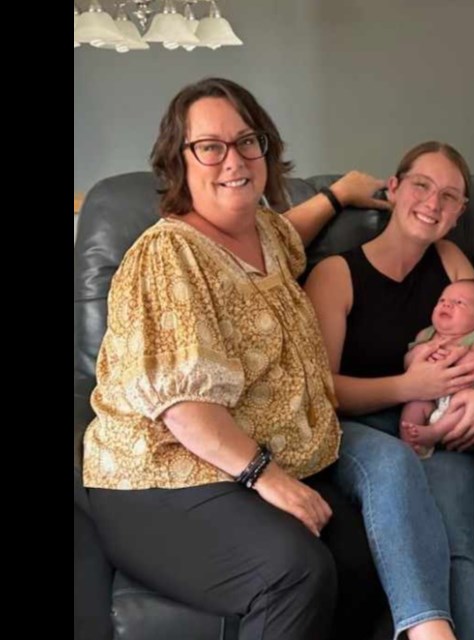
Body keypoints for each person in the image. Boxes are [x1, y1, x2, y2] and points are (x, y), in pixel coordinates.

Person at [80, 77, 394, 640]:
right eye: (210, 147)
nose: (234, 161)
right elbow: (184, 409)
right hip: (160, 478)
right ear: (179, 162)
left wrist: (338, 195)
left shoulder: (264, 234)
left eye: (248, 142)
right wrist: (268, 479)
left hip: (238, 467)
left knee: (366, 562)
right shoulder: (169, 254)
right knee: (293, 572)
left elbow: (290, 230)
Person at [304, 141, 474, 640]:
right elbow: (321, 391)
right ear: (394, 189)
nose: (433, 203)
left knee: (457, 538)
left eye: (450, 196)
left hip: (436, 423)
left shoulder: (450, 258)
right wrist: (410, 385)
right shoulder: (336, 273)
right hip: (353, 427)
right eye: (421, 185)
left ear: (460, 212)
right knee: (394, 465)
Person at [400, 280, 474, 458]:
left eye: (459, 303)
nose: (446, 304)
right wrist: (423, 352)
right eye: (442, 300)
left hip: (460, 398)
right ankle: (410, 444)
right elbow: (407, 363)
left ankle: (434, 433)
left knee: (467, 403)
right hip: (429, 397)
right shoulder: (426, 335)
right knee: (413, 405)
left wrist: (454, 354)